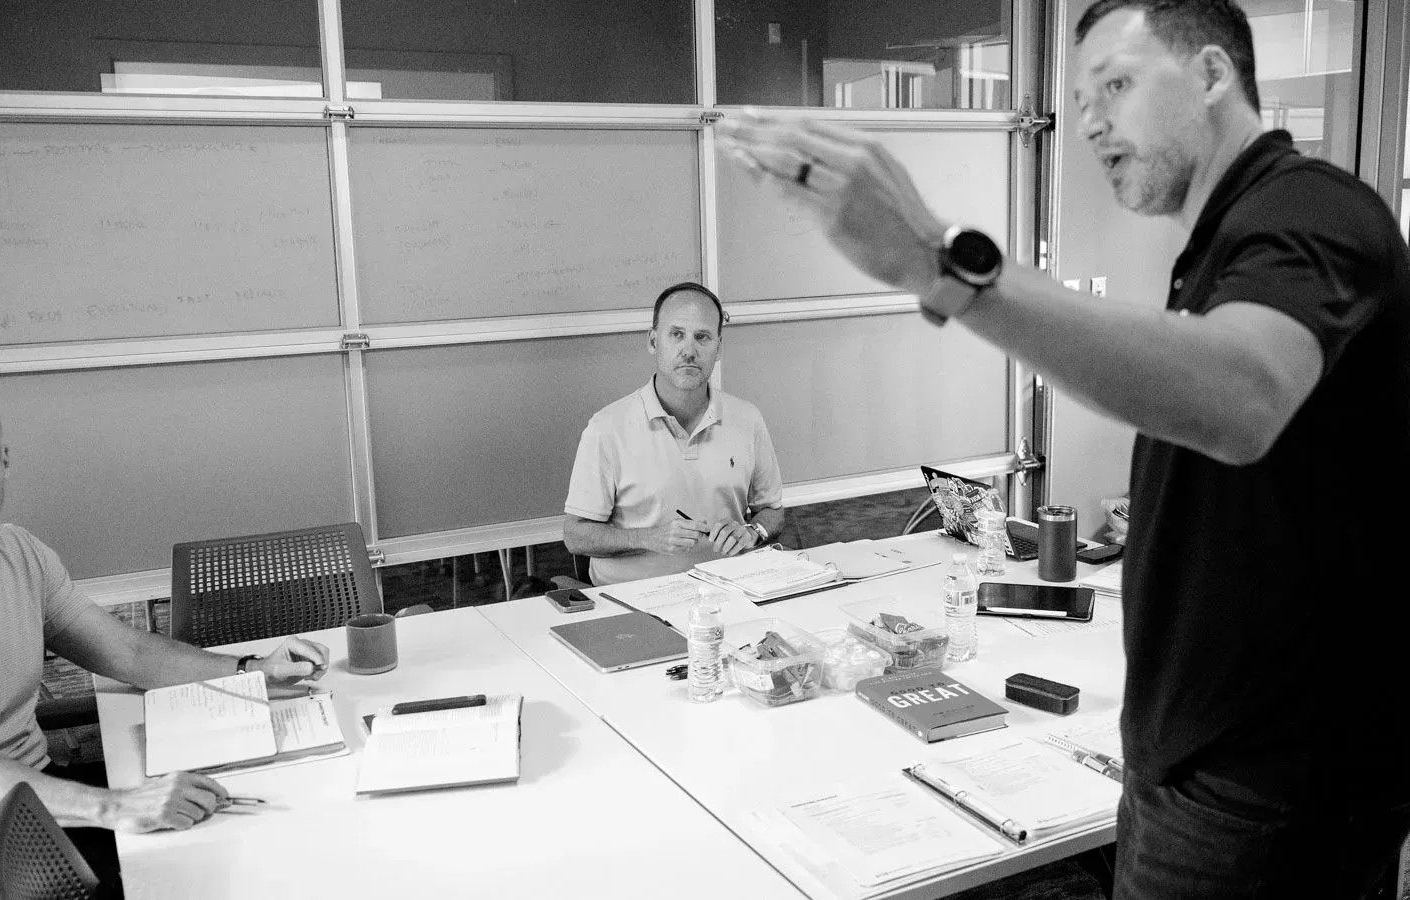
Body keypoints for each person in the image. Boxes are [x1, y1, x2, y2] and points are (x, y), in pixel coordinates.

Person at [716, 1, 1410, 896]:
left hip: (1264, 790)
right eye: (1080, 99)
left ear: (1210, 75)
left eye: (1115, 86)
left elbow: (1240, 397)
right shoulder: (1225, 242)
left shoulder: (1311, 211)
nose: (1087, 123)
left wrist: (942, 265)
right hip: (1206, 764)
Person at [0, 386, 332, 899]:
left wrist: (249, 669)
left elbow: (127, 653)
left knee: (253, 833)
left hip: (40, 796)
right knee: (199, 876)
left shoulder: (19, 552)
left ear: (5, 463)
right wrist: (117, 806)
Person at [563, 282, 786, 585]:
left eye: (702, 337)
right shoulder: (606, 428)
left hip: (728, 592)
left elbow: (772, 511)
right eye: (676, 334)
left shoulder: (747, 419)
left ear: (718, 348)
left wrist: (752, 532)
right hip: (632, 603)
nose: (689, 351)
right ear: (653, 341)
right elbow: (576, 536)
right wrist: (647, 538)